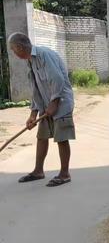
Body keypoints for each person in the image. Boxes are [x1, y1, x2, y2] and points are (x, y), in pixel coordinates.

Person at [8, 32, 75, 187]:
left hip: (61, 102)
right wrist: (33, 113)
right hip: (46, 104)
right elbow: (36, 89)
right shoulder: (30, 60)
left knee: (61, 137)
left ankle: (65, 174)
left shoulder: (44, 55)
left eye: (13, 49)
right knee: (42, 136)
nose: (13, 53)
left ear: (19, 47)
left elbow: (57, 79)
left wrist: (55, 102)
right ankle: (38, 171)